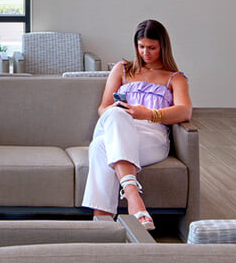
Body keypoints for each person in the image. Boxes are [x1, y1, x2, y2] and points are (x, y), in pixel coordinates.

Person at [81, 19, 192, 231]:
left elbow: (184, 111)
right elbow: (103, 108)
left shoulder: (175, 78)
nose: (145, 53)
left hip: (152, 139)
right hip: (119, 129)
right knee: (115, 114)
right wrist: (124, 111)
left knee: (99, 147)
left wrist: (148, 114)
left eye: (152, 48)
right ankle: (133, 197)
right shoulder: (122, 69)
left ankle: (101, 225)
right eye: (141, 47)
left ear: (163, 47)